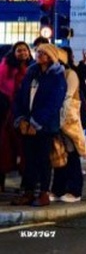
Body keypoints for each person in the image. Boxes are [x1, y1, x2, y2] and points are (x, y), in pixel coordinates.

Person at [11, 44, 67, 207]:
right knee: (29, 160)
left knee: (43, 160)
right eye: (38, 52)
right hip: (27, 123)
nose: (39, 55)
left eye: (43, 53)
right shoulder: (31, 73)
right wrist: (21, 119)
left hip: (45, 126)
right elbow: (20, 96)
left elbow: (53, 103)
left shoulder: (57, 76)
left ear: (51, 56)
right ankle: (28, 192)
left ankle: (43, 193)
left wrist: (36, 122)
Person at [51, 47, 86, 203]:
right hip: (56, 117)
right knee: (59, 154)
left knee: (71, 153)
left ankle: (74, 190)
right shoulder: (51, 74)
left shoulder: (70, 74)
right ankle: (58, 189)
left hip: (68, 119)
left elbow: (68, 97)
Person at [0, 41, 31, 192]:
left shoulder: (32, 67)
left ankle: (26, 184)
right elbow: (6, 87)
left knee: (25, 150)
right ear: (14, 52)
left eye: (25, 50)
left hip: (26, 112)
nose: (22, 53)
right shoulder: (7, 66)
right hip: (8, 112)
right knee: (6, 148)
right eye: (19, 50)